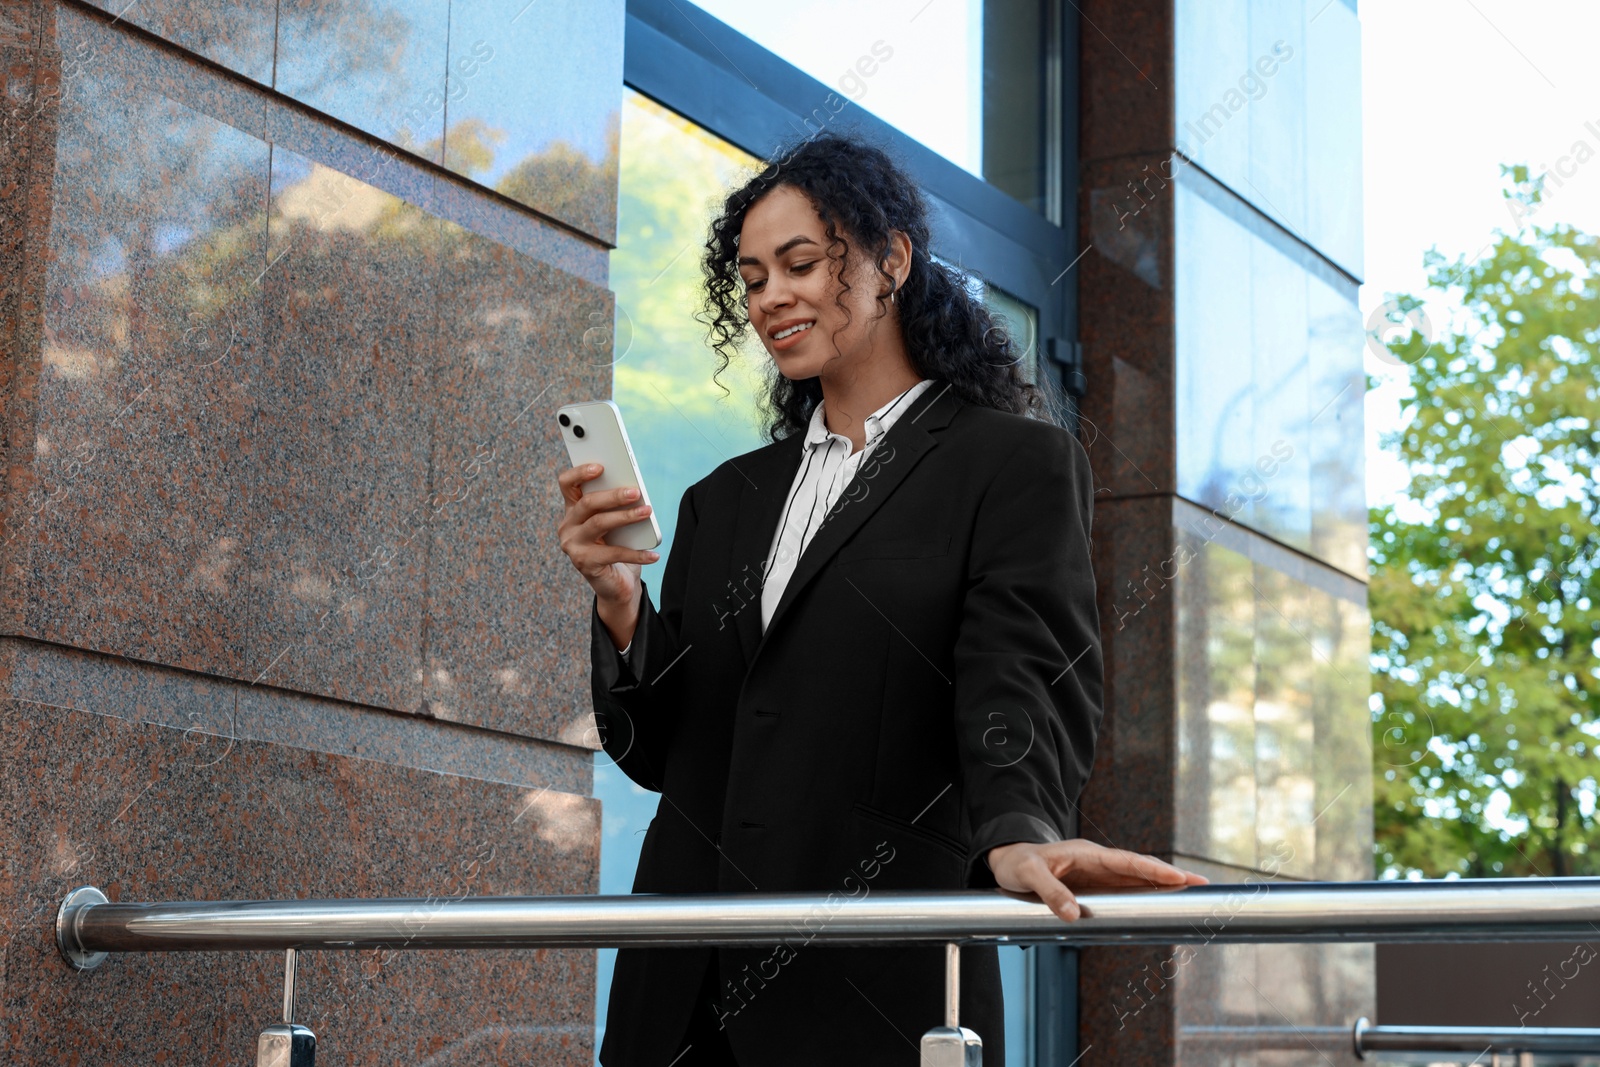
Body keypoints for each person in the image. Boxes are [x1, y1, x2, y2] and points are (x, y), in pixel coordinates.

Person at [557, 130, 1206, 1067]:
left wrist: (1021, 830)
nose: (771, 295)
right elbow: (662, 754)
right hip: (680, 999)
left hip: (873, 989)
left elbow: (1018, 677)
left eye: (801, 263)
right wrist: (623, 603)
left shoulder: (1009, 464)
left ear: (892, 259)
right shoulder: (723, 501)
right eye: (750, 277)